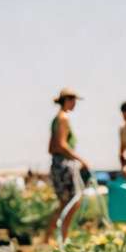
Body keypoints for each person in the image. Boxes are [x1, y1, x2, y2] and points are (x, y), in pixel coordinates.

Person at [46, 87, 90, 242]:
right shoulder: (64, 118)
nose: (74, 104)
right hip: (64, 163)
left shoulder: (56, 118)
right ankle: (62, 238)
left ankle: (48, 238)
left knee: (64, 203)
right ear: (67, 100)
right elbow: (62, 145)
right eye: (73, 101)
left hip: (56, 163)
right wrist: (81, 160)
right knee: (73, 202)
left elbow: (50, 147)